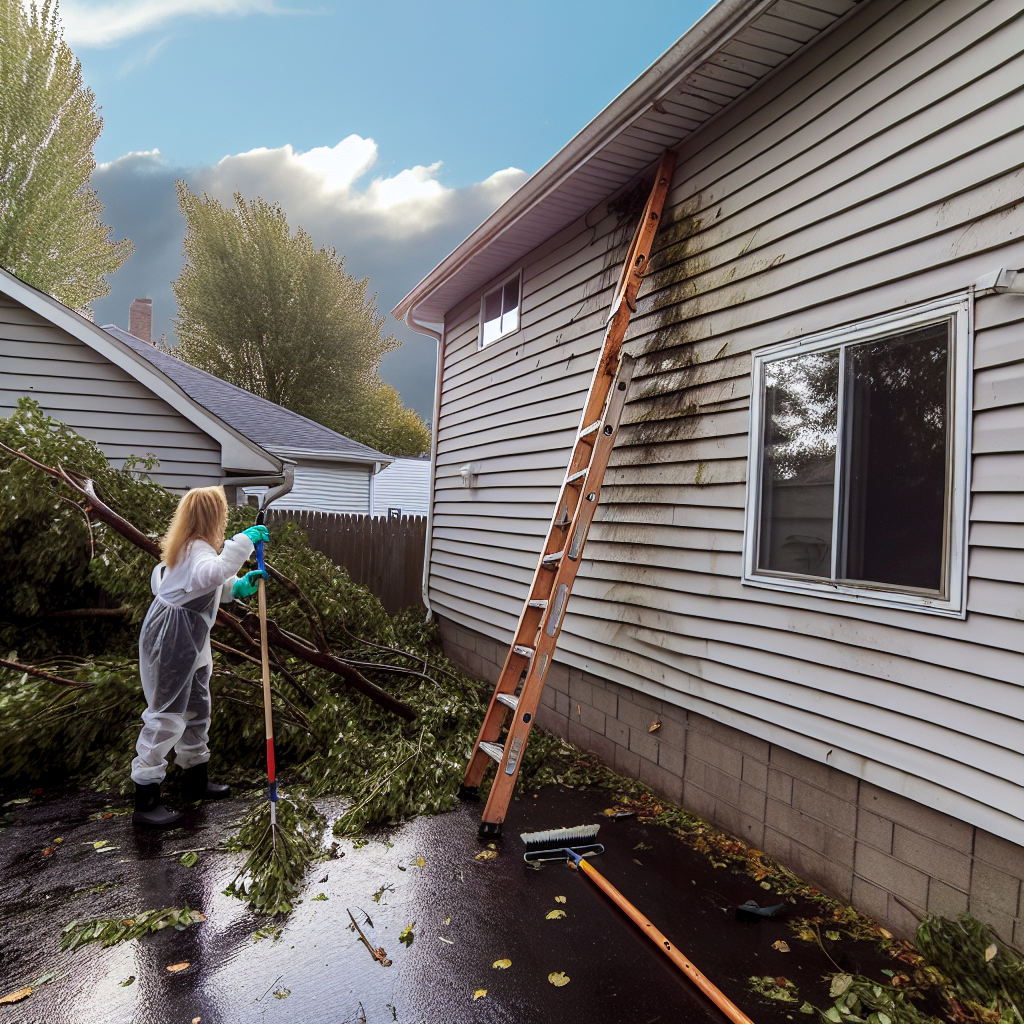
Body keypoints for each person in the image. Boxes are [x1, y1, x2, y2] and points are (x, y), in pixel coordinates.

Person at [131, 485, 269, 828]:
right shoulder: (196, 549)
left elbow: (205, 584)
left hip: (188, 636)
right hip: (174, 637)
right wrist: (243, 543)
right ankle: (145, 802)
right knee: (166, 713)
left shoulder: (193, 548)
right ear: (212, 516)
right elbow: (208, 572)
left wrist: (235, 588)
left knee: (197, 705)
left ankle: (194, 780)